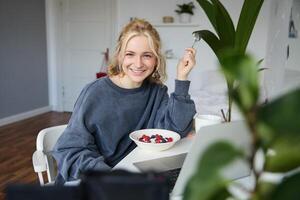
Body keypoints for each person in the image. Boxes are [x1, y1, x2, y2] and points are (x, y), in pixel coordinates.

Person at [52, 18, 197, 184]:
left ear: (156, 60)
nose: (138, 63)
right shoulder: (95, 93)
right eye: (130, 54)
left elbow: (174, 130)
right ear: (120, 56)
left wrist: (182, 78)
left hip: (134, 177)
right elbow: (70, 150)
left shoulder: (157, 92)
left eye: (147, 55)